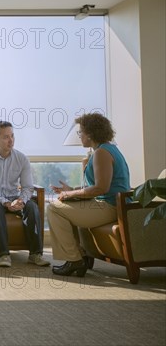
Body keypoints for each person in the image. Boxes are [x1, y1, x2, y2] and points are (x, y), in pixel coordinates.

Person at [48, 113, 130, 277]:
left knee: (54, 209)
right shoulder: (105, 150)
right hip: (108, 203)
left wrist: (70, 193)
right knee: (62, 206)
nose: (80, 136)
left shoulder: (102, 153)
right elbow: (98, 186)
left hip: (110, 206)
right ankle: (79, 255)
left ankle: (74, 260)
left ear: (91, 134)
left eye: (81, 132)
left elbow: (101, 188)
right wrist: (71, 189)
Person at [0, 121, 50, 268]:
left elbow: (27, 187)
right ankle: (3, 254)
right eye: (6, 137)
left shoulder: (21, 158)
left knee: (32, 207)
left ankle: (35, 254)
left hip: (15, 196)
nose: (11, 140)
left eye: (12, 136)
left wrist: (21, 201)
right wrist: (5, 202)